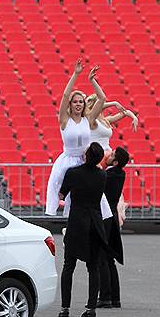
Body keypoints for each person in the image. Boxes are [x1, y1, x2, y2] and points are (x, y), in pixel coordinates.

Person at [45, 59, 111, 220]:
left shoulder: (87, 120)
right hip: (68, 161)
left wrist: (92, 80)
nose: (78, 104)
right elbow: (66, 95)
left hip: (85, 161)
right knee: (65, 196)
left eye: (81, 102)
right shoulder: (64, 120)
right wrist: (76, 74)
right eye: (75, 102)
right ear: (70, 104)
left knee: (95, 197)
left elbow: (101, 99)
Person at [58, 142, 113, 317]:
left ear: (86, 155)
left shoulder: (73, 173)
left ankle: (65, 307)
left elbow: (61, 194)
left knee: (69, 266)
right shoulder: (102, 175)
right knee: (93, 267)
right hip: (95, 222)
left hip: (76, 223)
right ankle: (91, 307)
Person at [97, 146, 129, 309]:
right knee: (110, 259)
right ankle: (114, 297)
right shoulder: (119, 174)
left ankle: (105, 296)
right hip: (113, 216)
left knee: (102, 257)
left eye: (112, 155)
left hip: (105, 216)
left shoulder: (108, 174)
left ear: (115, 161)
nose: (108, 155)